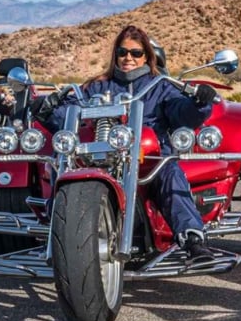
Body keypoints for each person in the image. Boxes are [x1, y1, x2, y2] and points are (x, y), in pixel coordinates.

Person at [38, 24, 218, 262]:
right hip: (101, 158)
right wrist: (47, 110)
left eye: (135, 53)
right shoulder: (97, 86)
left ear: (147, 56)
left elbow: (182, 112)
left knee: (170, 172)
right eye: (122, 52)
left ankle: (193, 239)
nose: (128, 58)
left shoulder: (161, 86)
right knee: (62, 164)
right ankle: (59, 227)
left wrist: (199, 103)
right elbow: (72, 114)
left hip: (148, 161)